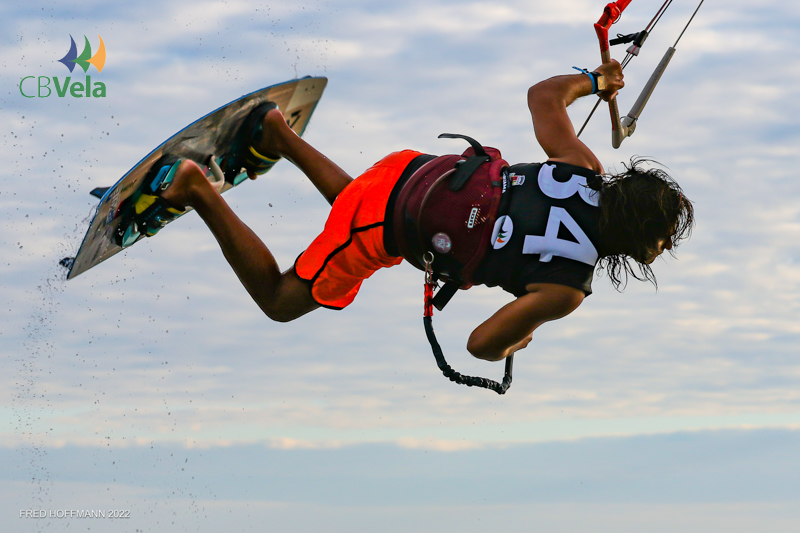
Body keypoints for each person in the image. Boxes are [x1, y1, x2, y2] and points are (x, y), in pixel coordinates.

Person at [156, 60, 693, 363]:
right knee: (281, 300)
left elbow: (543, 95)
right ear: (634, 231)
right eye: (664, 237)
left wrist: (597, 82)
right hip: (389, 218)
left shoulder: (583, 168)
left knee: (368, 220)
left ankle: (276, 133)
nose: (664, 247)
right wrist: (516, 339)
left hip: (412, 170)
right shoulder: (567, 288)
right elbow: (480, 345)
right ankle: (194, 188)